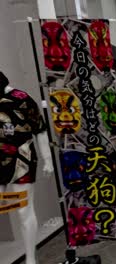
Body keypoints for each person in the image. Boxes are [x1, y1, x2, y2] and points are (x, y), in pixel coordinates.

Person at [0, 71, 54, 264]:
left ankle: (31, 259)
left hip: (21, 161)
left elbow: (40, 129)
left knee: (24, 211)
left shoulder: (22, 99)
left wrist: (47, 159)